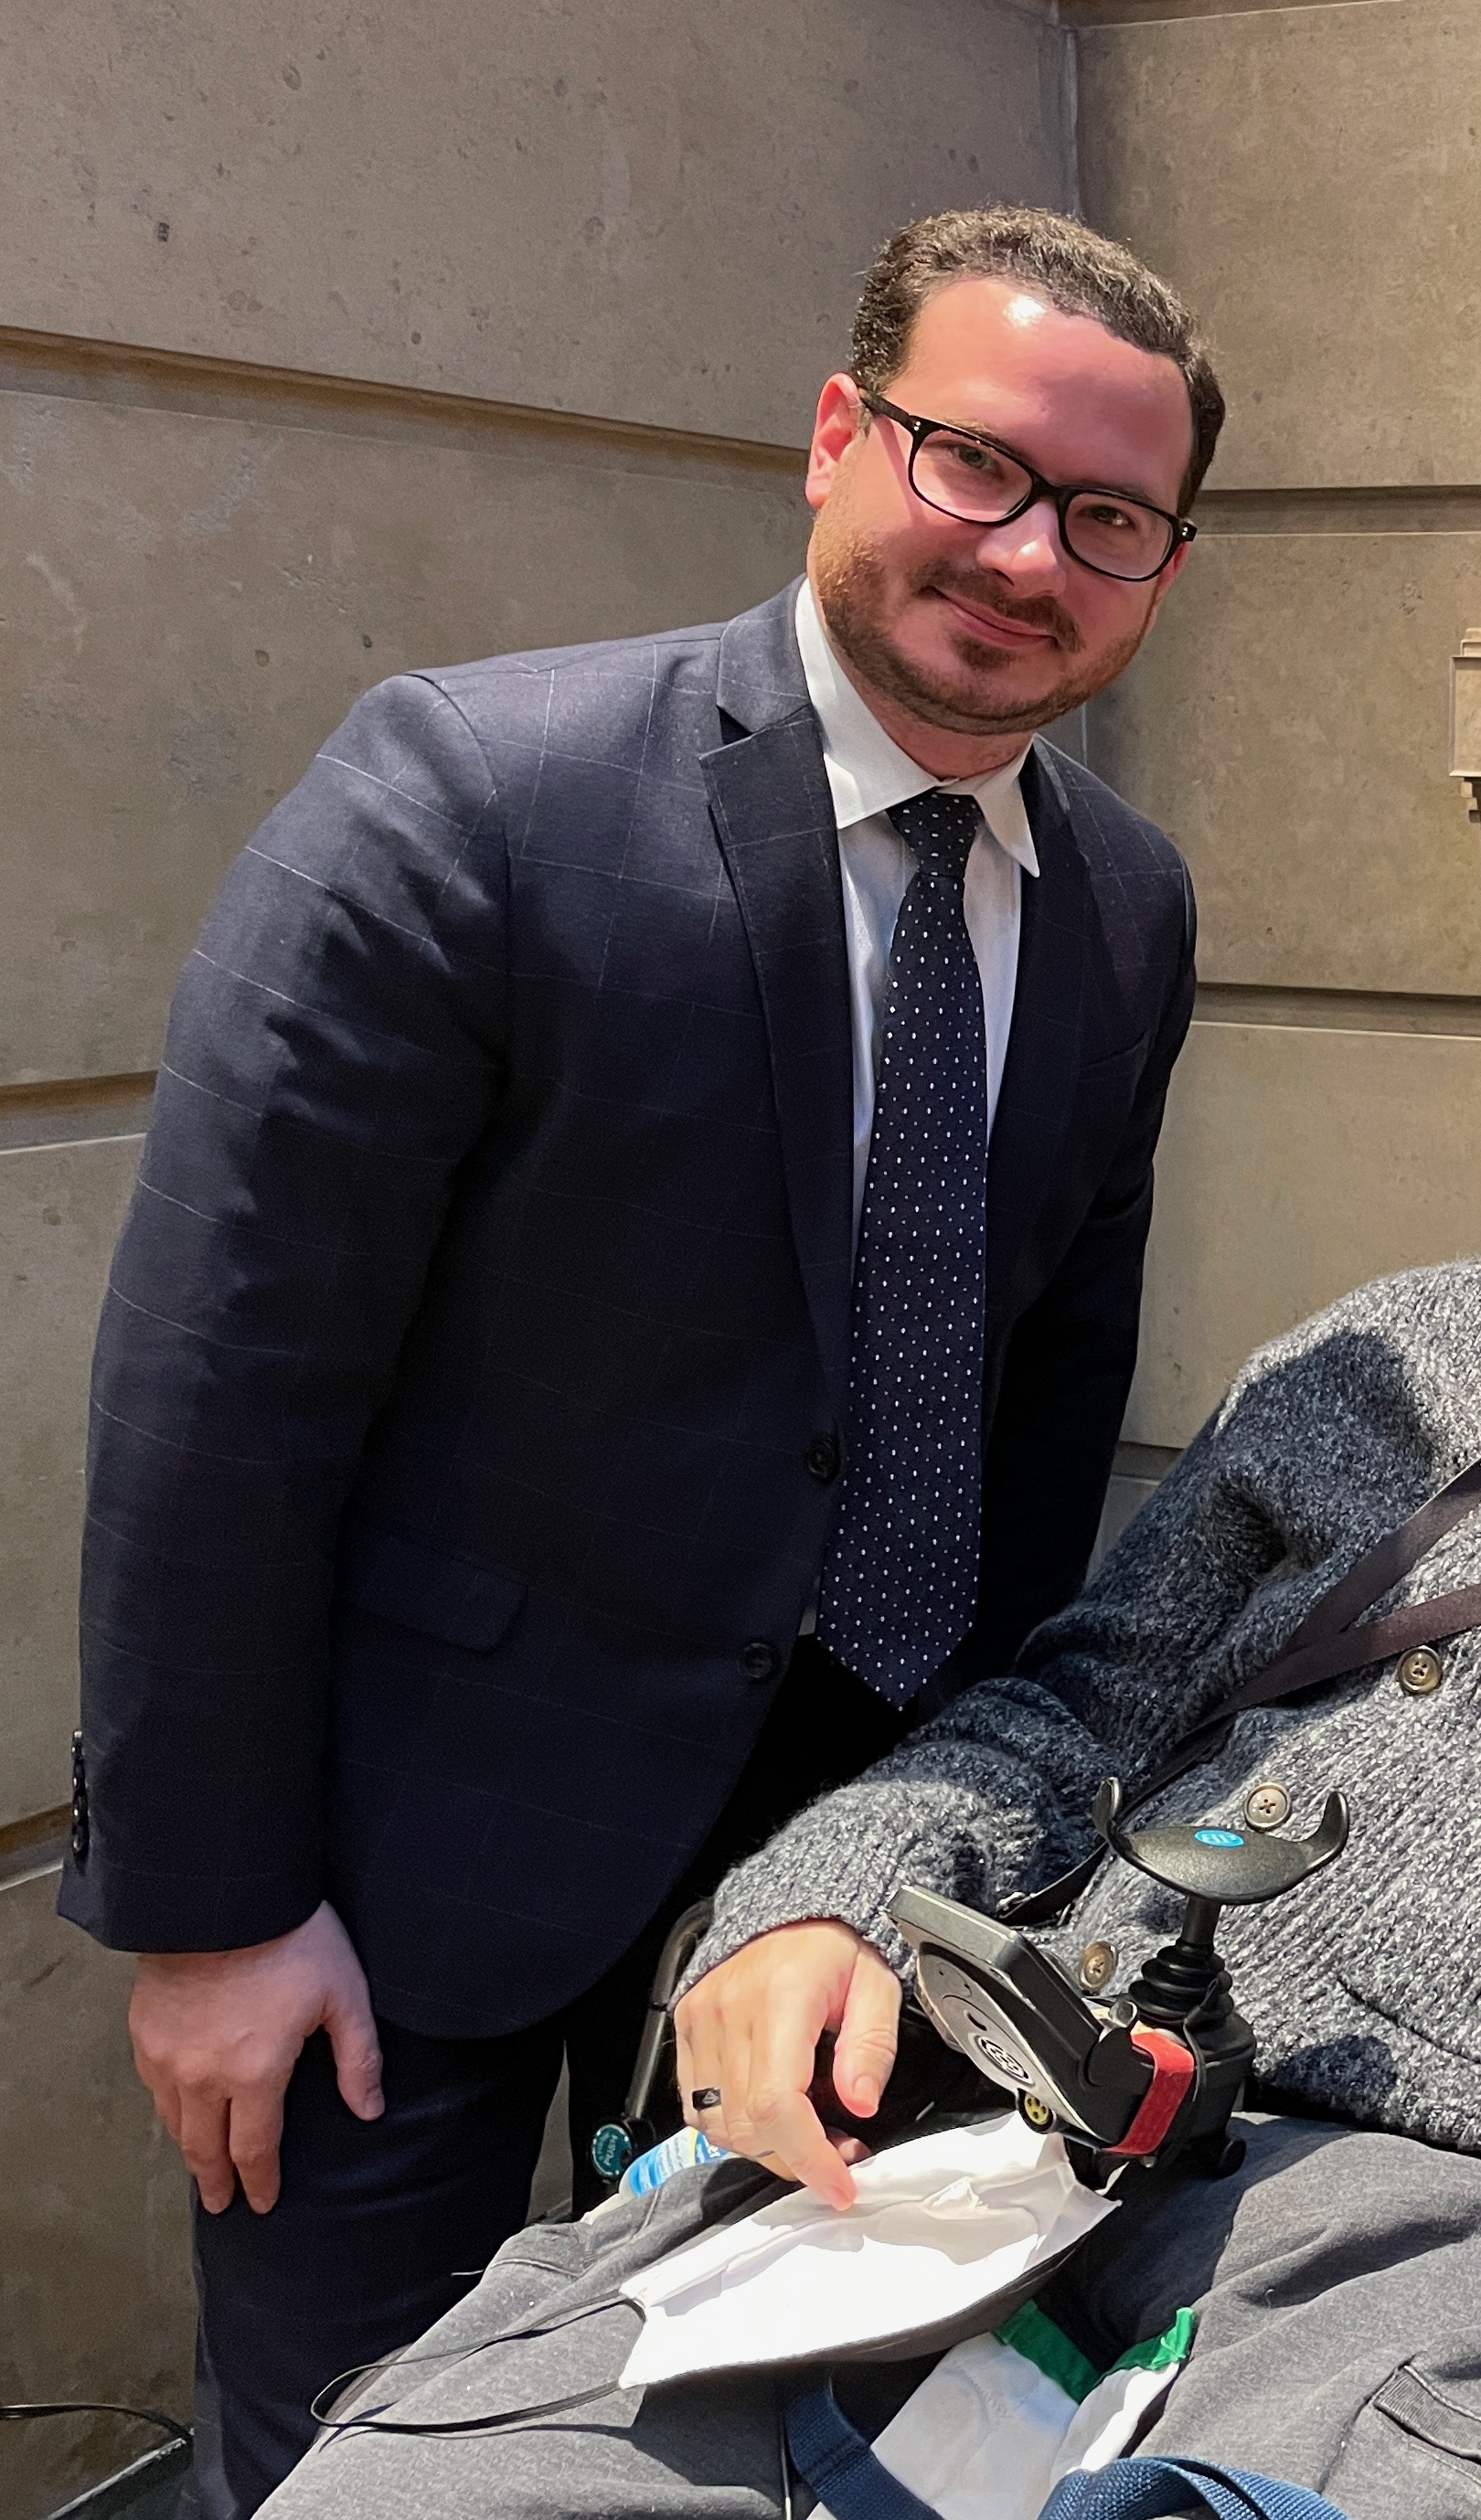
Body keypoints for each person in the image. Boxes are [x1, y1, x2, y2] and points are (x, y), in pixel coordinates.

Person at [262, 887, 1481, 2520]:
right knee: (430, 2469)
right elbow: (1084, 1698)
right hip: (1015, 2106)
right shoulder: (1394, 1354)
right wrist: (829, 1888)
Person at [63, 205, 1219, 2518]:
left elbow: (1045, 1401)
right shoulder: (473, 800)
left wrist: (975, 1856)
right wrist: (209, 1912)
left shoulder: (1130, 903)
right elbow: (223, 1384)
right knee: (358, 2471)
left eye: (1109, 518)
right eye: (975, 467)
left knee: (747, 2454)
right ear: (834, 435)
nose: (1027, 558)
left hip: (841, 1875)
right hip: (400, 1883)